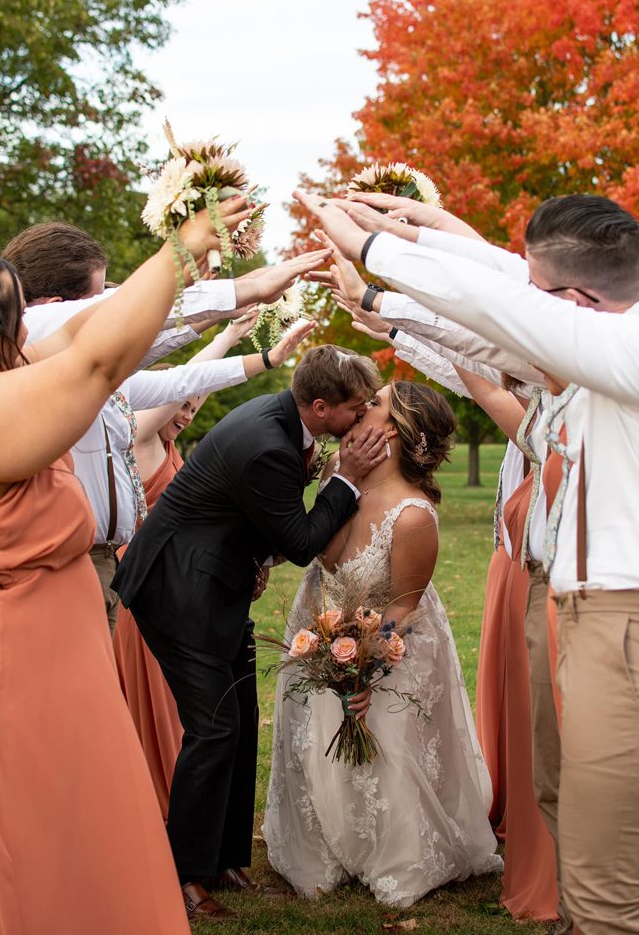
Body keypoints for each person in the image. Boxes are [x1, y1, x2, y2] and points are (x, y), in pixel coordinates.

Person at [298, 189, 639, 935]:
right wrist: (399, 277)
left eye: (540, 294)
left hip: (622, 619)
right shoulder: (594, 358)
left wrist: (373, 250)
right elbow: (489, 334)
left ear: (574, 303)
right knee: (560, 797)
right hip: (581, 615)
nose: (527, 302)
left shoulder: (624, 350)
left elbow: (495, 307)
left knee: (611, 843)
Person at [0, 199, 247, 935]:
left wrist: (206, 270)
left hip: (56, 662)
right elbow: (100, 360)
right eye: (16, 319)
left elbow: (91, 331)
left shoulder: (0, 386)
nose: (35, 333)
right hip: (15, 669)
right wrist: (180, 246)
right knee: (37, 844)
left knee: (75, 829)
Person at [112, 344, 390, 921]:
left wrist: (255, 557)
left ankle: (227, 859)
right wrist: (347, 477)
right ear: (319, 406)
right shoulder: (266, 443)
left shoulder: (286, 422)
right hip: (177, 589)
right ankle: (185, 875)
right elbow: (300, 540)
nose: (363, 418)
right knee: (213, 729)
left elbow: (260, 520)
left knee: (236, 719)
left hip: (216, 581)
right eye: (356, 409)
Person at [4, 220, 328, 632]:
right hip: (68, 564)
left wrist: (260, 354)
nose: (111, 301)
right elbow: (135, 319)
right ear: (53, 306)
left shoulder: (87, 373)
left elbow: (172, 377)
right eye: (98, 294)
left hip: (104, 563)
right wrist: (238, 290)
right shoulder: (42, 333)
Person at [263, 380, 502, 905]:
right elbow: (310, 546)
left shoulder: (413, 516)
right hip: (321, 621)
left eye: (374, 403)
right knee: (314, 738)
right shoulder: (337, 476)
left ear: (392, 429)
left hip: (392, 641)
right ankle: (328, 842)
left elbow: (403, 607)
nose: (361, 407)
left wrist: (365, 667)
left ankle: (395, 853)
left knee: (388, 746)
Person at [113, 312, 309, 819]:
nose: (187, 413)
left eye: (195, 408)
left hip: (193, 581)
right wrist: (225, 337)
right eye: (181, 404)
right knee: (185, 710)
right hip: (159, 582)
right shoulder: (139, 438)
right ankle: (156, 802)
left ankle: (185, 808)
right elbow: (182, 381)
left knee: (201, 715)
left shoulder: (175, 447)